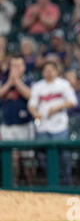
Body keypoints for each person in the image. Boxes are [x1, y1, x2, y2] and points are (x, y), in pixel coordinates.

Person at [27, 61, 77, 185]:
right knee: (44, 159)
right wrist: (35, 113)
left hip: (60, 126)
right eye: (46, 70)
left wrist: (57, 107)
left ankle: (67, 184)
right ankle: (53, 185)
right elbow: (31, 105)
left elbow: (72, 102)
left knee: (64, 157)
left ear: (56, 71)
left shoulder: (63, 84)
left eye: (51, 70)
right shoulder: (38, 86)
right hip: (43, 127)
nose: (48, 72)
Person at [0, 56, 35, 185]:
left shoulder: (29, 80)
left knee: (28, 159)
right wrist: (10, 82)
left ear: (24, 67)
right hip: (8, 125)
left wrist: (17, 82)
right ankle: (13, 186)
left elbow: (30, 95)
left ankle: (31, 185)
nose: (15, 68)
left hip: (25, 125)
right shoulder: (4, 82)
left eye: (19, 65)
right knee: (12, 159)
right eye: (13, 66)